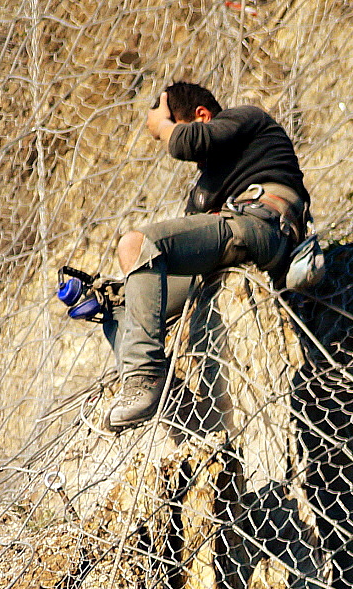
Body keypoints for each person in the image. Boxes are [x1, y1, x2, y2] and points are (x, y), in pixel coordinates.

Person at [102, 81, 310, 431]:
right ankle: (177, 405)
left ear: (202, 116)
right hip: (229, 243)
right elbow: (179, 243)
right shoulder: (206, 185)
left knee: (136, 243)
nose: (195, 158)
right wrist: (112, 292)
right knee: (117, 307)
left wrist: (160, 124)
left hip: (262, 228)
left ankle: (144, 379)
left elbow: (190, 142)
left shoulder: (247, 120)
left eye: (177, 128)